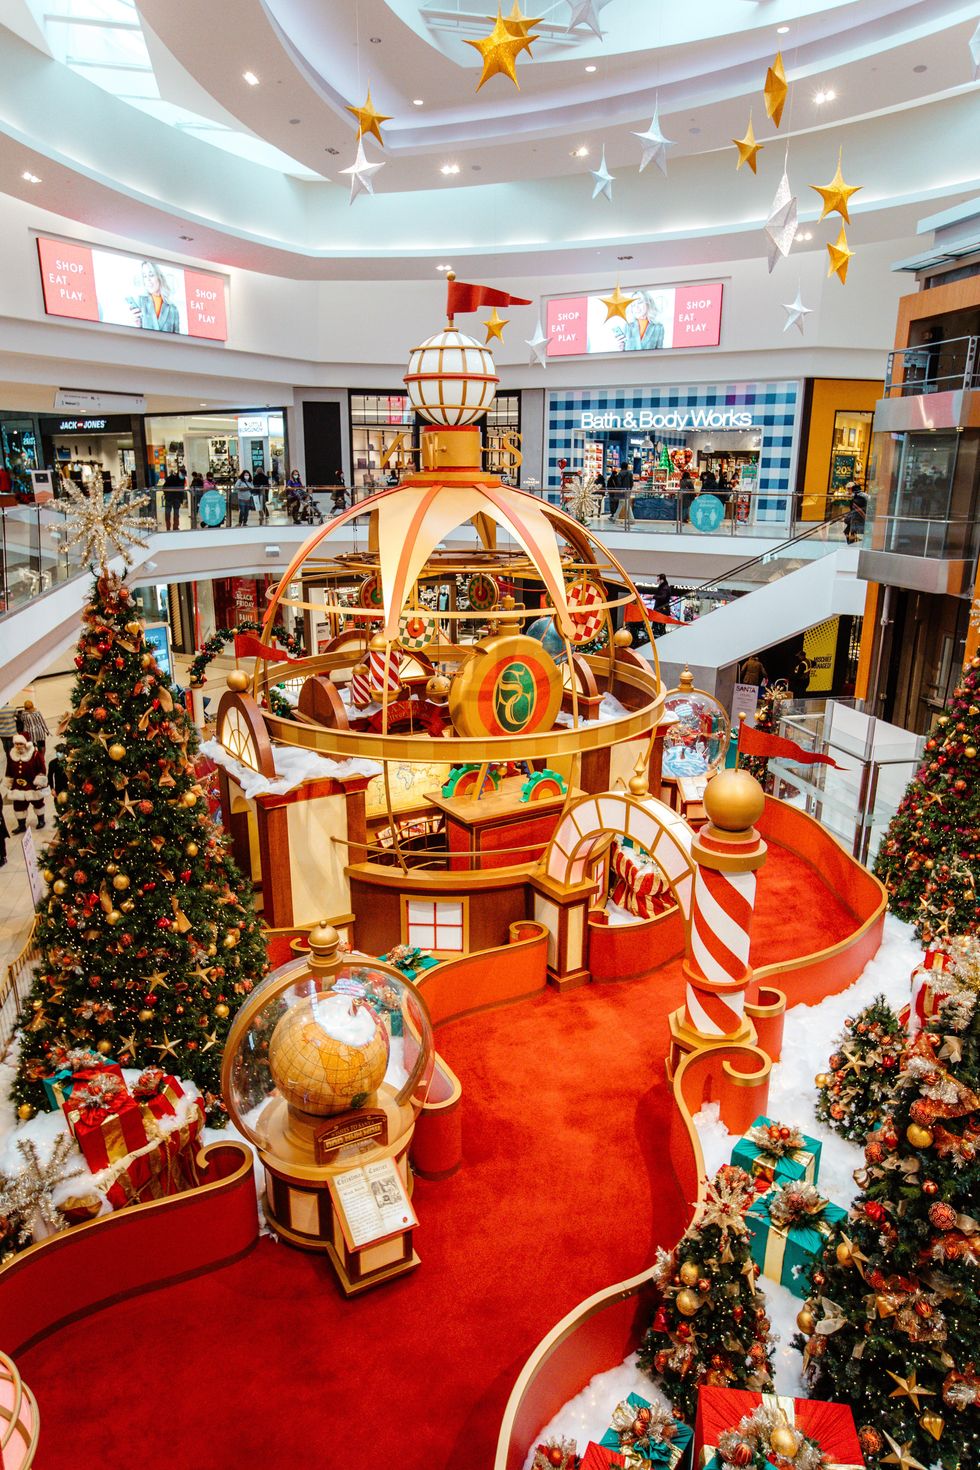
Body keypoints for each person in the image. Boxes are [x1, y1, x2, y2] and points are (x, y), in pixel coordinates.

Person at [5, 722, 47, 831]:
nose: (18, 746)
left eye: (20, 744)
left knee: (38, 803)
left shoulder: (35, 755)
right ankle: (21, 825)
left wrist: (39, 782)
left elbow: (42, 769)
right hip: (18, 786)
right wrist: (9, 782)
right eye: (16, 744)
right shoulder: (12, 755)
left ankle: (41, 820)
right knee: (18, 806)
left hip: (32, 784)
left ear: (26, 744)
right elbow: (8, 769)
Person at [127, 260, 180, 334]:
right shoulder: (139, 302)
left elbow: (177, 340)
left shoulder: (173, 309)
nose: (148, 280)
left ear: (159, 277)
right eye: (145, 276)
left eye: (151, 275)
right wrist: (136, 325)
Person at [651, 572, 673, 638]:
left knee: (659, 626)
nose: (657, 581)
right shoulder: (664, 587)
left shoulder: (664, 587)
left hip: (661, 610)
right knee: (659, 625)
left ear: (662, 579)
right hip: (661, 609)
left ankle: (659, 637)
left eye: (658, 580)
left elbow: (663, 597)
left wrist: (653, 596)